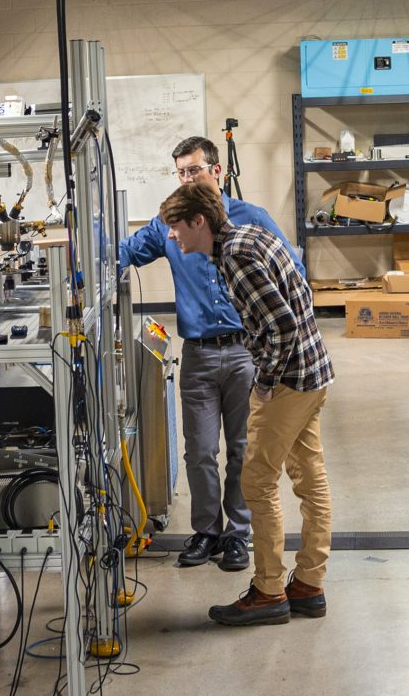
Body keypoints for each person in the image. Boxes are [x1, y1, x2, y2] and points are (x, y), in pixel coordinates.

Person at [159, 181, 336, 627]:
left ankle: (269, 589)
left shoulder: (235, 256)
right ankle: (309, 584)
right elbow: (298, 302)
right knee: (309, 476)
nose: (173, 238)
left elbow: (281, 324)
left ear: (199, 222)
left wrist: (266, 382)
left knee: (256, 482)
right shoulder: (249, 235)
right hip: (314, 373)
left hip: (290, 382)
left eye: (176, 228)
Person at [120, 137, 299, 573]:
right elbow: (124, 252)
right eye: (180, 172)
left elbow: (292, 267)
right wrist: (77, 258)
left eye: (194, 170)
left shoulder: (250, 219)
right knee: (198, 450)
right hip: (198, 354)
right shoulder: (170, 225)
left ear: (216, 171)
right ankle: (206, 532)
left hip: (244, 352)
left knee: (242, 448)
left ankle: (238, 535)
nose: (187, 179)